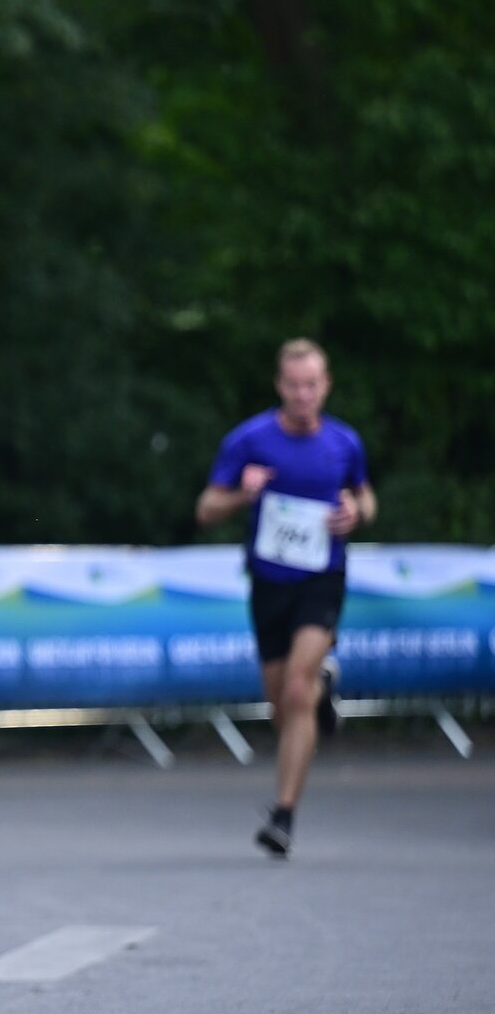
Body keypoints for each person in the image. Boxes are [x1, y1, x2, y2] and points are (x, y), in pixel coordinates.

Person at [196, 338, 375, 859]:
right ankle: (320, 687)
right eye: (294, 385)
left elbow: (365, 495)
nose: (303, 394)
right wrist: (241, 494)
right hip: (270, 584)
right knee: (283, 703)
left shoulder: (344, 443)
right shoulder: (249, 440)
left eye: (312, 384)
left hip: (322, 579)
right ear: (280, 386)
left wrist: (356, 513)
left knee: (295, 688)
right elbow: (206, 508)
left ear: (326, 385)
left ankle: (284, 815)